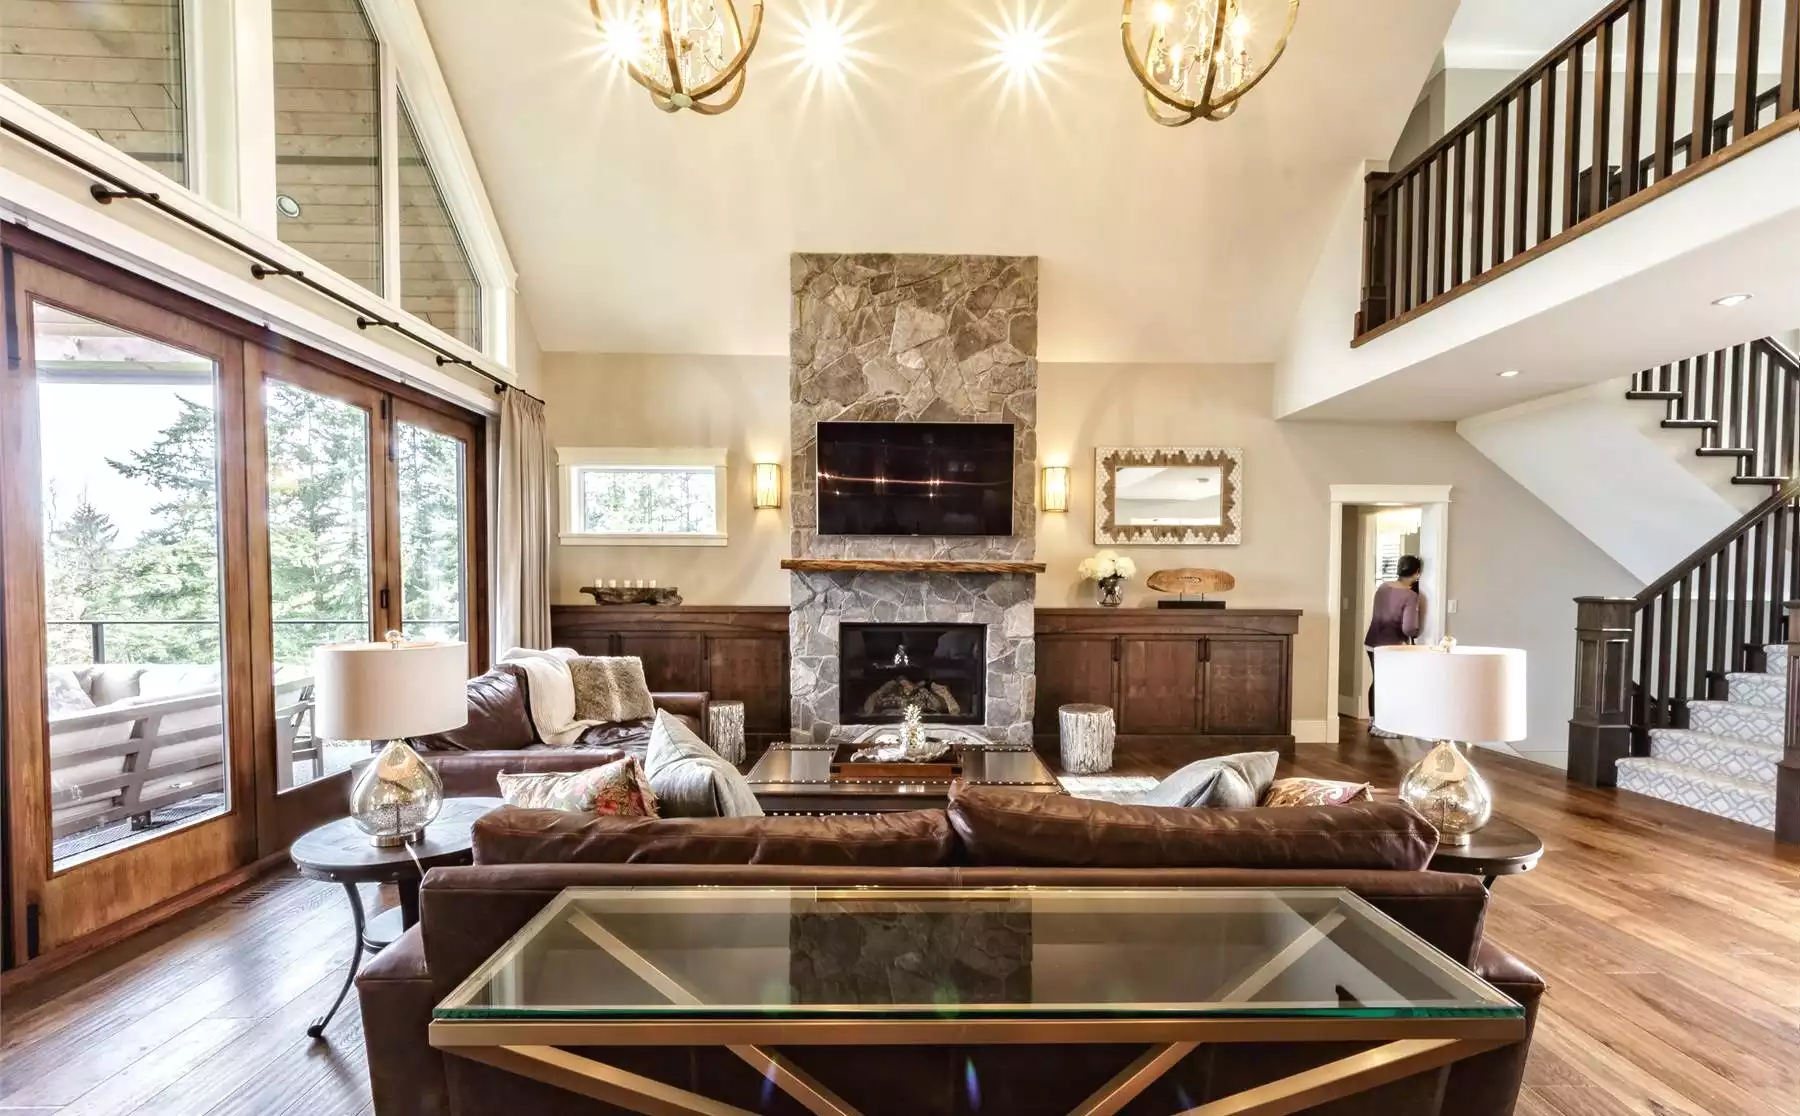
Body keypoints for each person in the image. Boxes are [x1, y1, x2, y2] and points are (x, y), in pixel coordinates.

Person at [1364, 555, 1423, 738]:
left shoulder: (1382, 588)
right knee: (1391, 684)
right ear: (1417, 573)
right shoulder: (1410, 596)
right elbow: (1409, 628)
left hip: (1372, 642)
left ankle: (1374, 721)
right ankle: (1385, 725)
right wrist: (1417, 633)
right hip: (1391, 647)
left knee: (1378, 681)